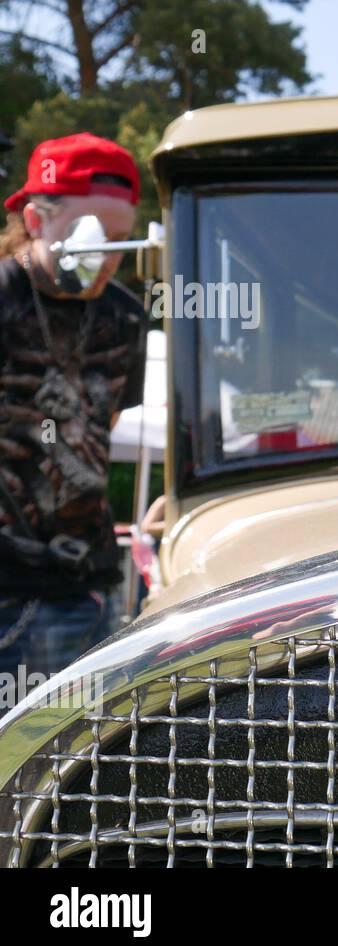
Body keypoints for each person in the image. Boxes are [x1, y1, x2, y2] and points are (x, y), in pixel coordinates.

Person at [0, 133, 147, 693]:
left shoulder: (127, 318)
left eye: (122, 240)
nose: (108, 257)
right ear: (36, 221)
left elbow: (99, 431)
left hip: (92, 585)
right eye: (92, 236)